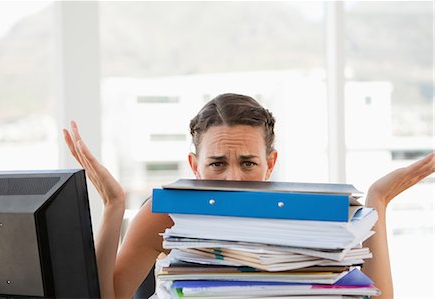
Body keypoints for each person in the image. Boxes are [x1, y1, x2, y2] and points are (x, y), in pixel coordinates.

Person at [63, 93, 434, 299]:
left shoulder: (309, 221)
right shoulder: (165, 215)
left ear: (270, 163)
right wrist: (113, 207)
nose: (233, 177)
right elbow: (108, 296)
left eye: (248, 163)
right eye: (217, 163)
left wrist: (378, 201)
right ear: (194, 164)